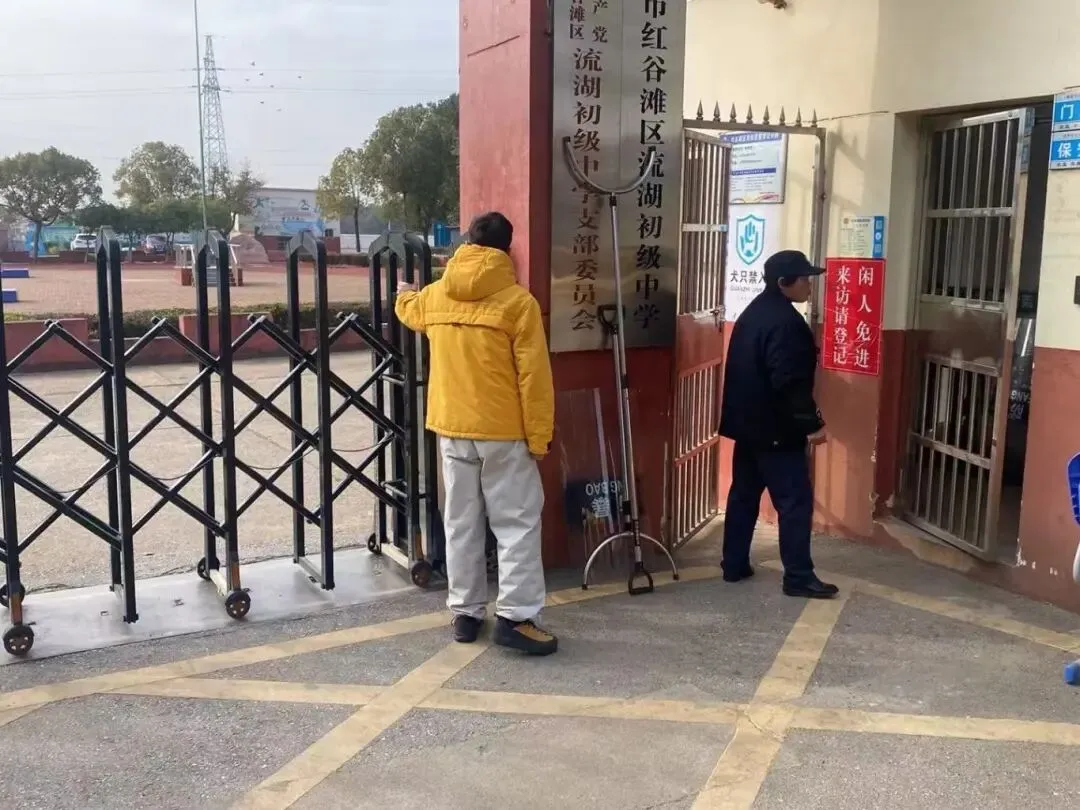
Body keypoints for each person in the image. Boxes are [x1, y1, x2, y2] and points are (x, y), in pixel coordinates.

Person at [395, 211, 558, 655]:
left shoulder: (436, 294)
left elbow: (410, 310)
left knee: (461, 522)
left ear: (467, 242)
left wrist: (403, 294)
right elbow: (534, 378)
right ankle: (516, 618)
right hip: (504, 432)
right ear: (508, 250)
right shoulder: (517, 304)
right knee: (517, 524)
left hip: (452, 428)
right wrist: (539, 437)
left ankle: (465, 613)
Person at [718, 249, 839, 599]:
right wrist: (811, 424)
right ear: (784, 282)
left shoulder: (754, 312)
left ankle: (734, 564)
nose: (810, 286)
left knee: (743, 496)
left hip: (748, 427)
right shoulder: (786, 323)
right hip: (776, 430)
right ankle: (798, 577)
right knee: (795, 502)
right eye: (805, 280)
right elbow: (789, 381)